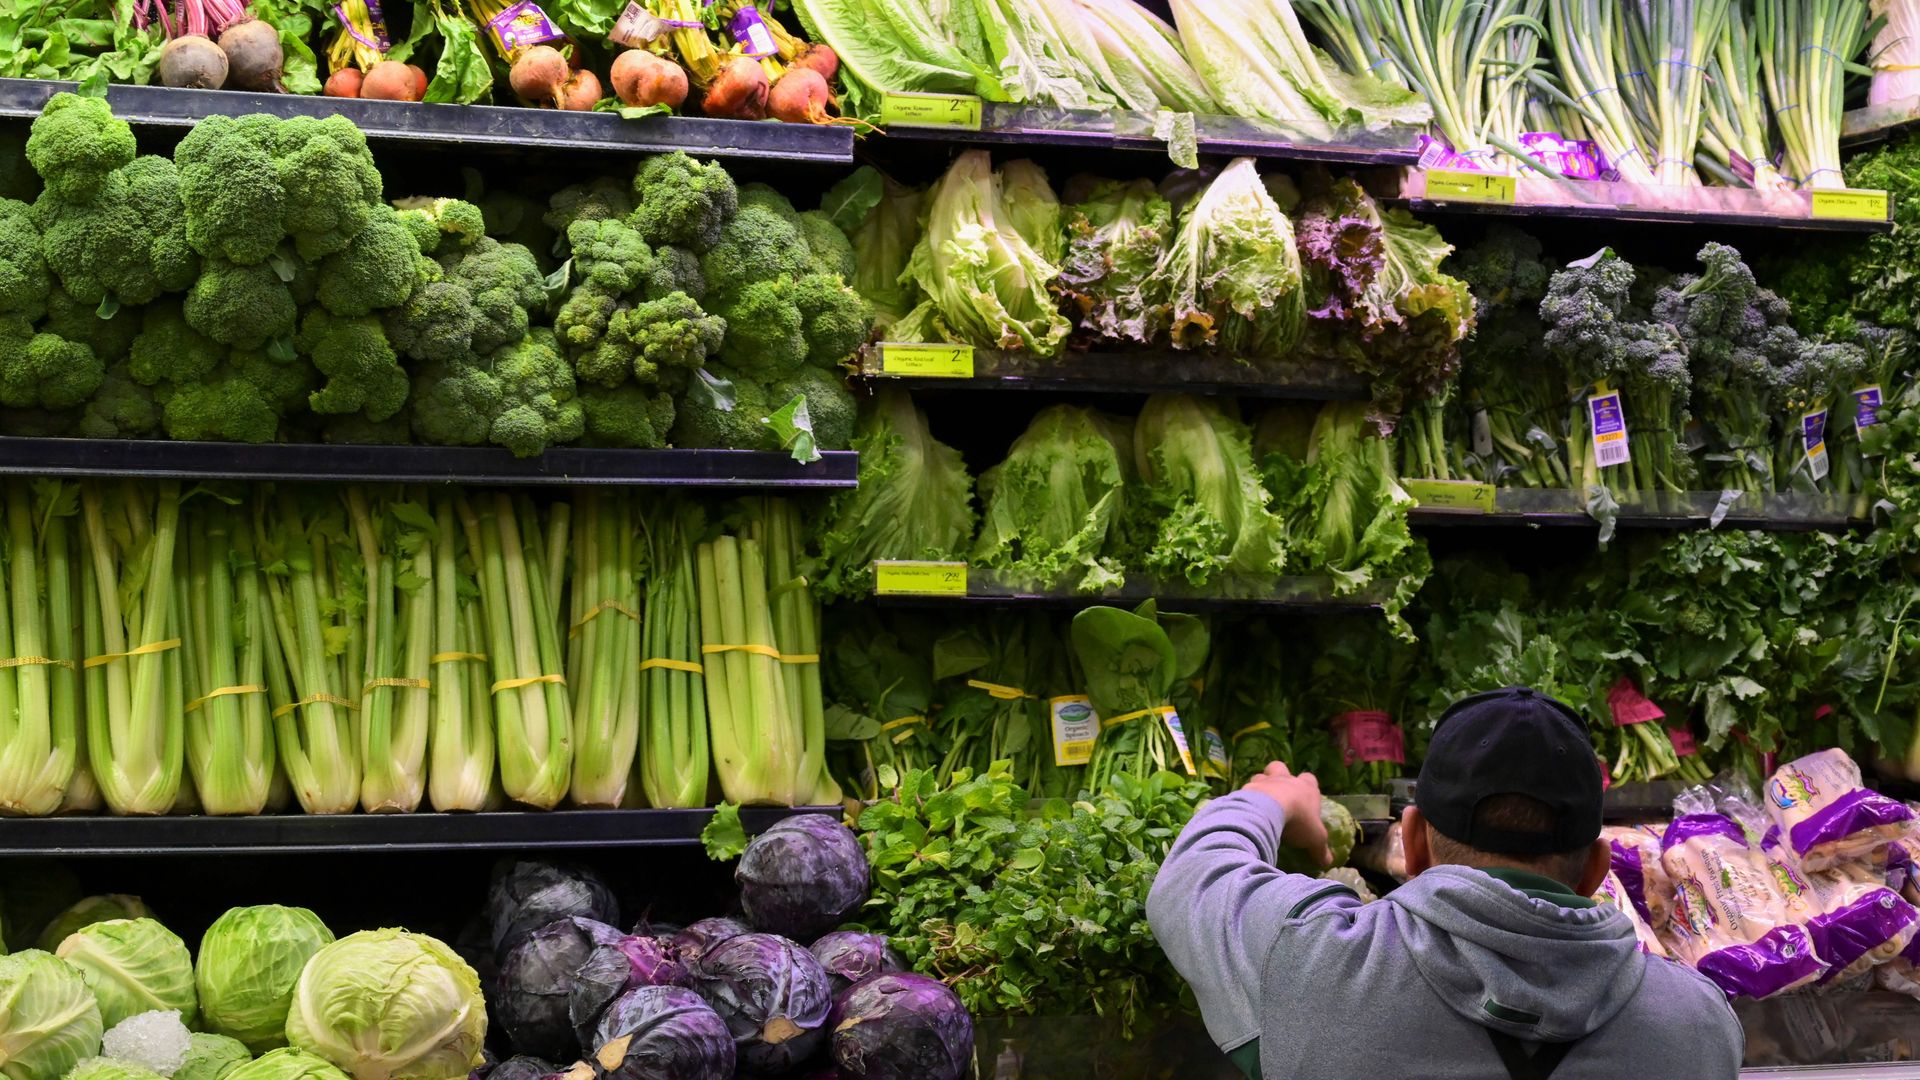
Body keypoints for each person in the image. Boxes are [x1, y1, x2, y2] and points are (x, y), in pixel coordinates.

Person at [1147, 686, 1744, 1080]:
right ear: (1596, 868)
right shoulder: (1698, 1028)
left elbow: (1194, 876)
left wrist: (1270, 797)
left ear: (1413, 843)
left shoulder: (1311, 962)